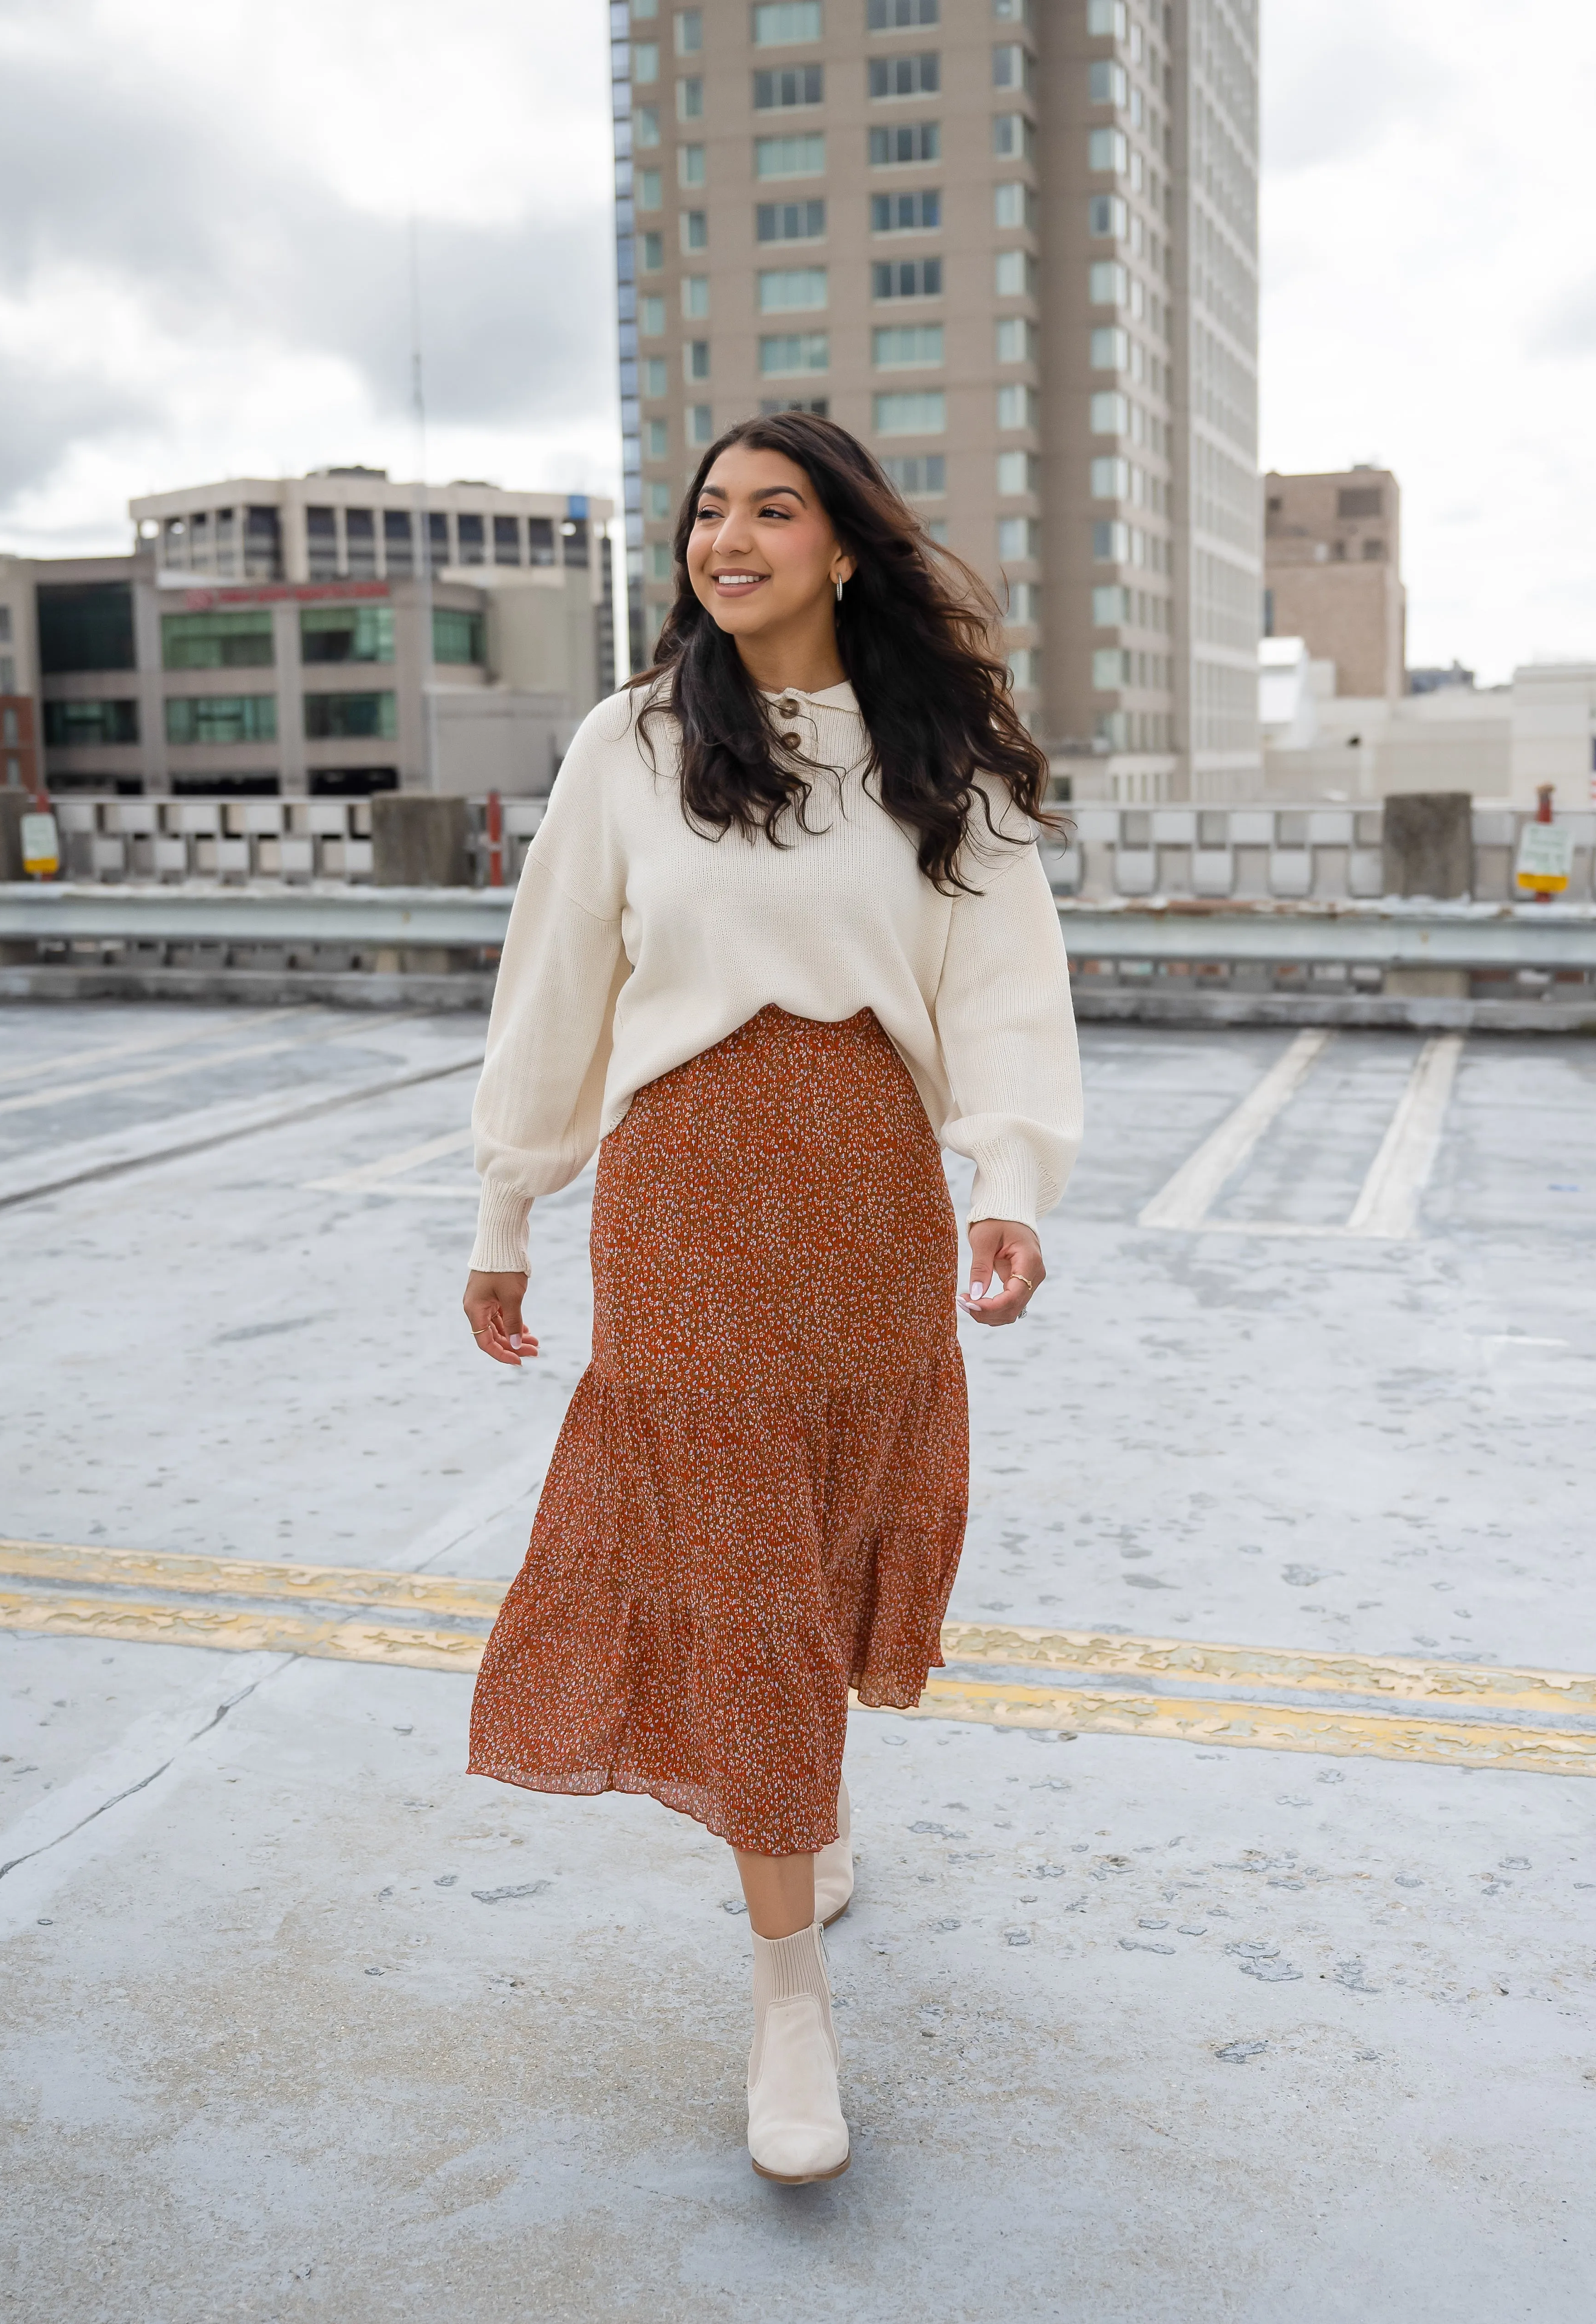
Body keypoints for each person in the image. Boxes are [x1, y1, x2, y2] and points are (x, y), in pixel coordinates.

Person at [462, 413, 1082, 2184]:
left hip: (866, 1201)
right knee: (738, 1572)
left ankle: (806, 1820)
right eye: (707, 513)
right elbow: (557, 971)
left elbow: (1001, 978)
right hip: (682, 1204)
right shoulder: (631, 746)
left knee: (817, 1541)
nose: (725, 538)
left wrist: (1009, 1183)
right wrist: (508, 1203)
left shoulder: (931, 751)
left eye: (769, 511)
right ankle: (788, 1994)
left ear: (843, 549)